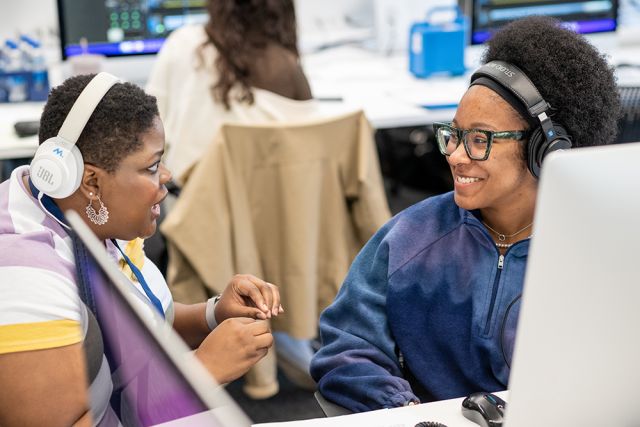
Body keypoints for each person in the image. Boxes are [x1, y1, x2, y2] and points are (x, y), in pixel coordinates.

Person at [310, 16, 621, 412]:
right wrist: (404, 409)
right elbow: (347, 347)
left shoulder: (602, 254)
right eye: (454, 134)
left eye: (480, 139)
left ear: (547, 149)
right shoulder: (411, 237)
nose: (455, 155)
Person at [0, 74, 283, 426]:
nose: (166, 176)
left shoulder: (83, 211)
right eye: (151, 166)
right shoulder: (25, 280)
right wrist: (200, 373)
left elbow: (138, 321)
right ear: (91, 181)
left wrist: (212, 314)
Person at [145, 0, 314, 182]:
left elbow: (147, 129)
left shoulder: (182, 45)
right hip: (272, 203)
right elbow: (313, 150)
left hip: (195, 203)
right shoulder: (286, 67)